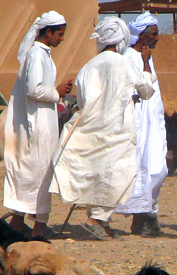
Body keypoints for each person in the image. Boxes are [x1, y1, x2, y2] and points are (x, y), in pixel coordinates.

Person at [49, 17, 155, 240]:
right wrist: (145, 64)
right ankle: (95, 219)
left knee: (98, 174)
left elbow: (85, 100)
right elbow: (146, 91)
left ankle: (101, 221)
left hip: (93, 128)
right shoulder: (125, 63)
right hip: (118, 129)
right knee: (120, 174)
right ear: (121, 40)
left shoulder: (89, 66)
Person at [3, 11, 73, 238]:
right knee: (41, 173)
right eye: (59, 34)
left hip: (42, 121)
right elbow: (34, 89)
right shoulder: (37, 54)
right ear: (48, 32)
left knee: (34, 172)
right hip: (38, 125)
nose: (62, 39)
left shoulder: (42, 54)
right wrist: (57, 92)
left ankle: (17, 221)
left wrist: (58, 91)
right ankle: (39, 227)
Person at [114, 11, 168, 237]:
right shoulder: (130, 57)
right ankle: (142, 219)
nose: (157, 38)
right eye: (154, 34)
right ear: (143, 36)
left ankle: (146, 214)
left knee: (157, 169)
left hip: (152, 125)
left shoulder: (147, 57)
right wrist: (145, 63)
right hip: (136, 124)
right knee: (139, 169)